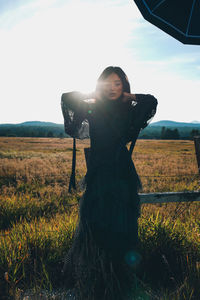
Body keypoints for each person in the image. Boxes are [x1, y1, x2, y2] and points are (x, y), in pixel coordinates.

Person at [61, 66, 158, 299]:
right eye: (108, 83)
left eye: (118, 83)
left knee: (122, 222)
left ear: (124, 86)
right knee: (95, 221)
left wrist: (129, 96)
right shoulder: (92, 107)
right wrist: (93, 94)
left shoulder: (129, 109)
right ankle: (96, 274)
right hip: (99, 172)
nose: (113, 88)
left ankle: (121, 276)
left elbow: (151, 101)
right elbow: (66, 98)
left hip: (122, 171)